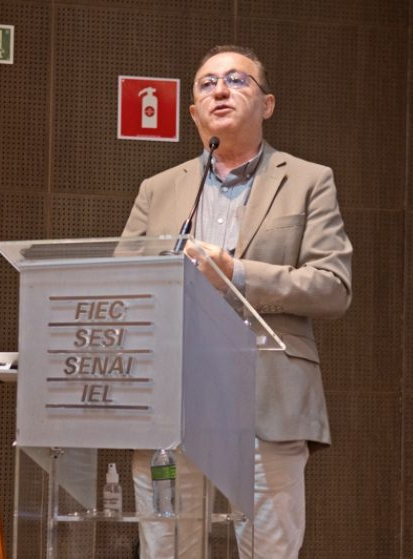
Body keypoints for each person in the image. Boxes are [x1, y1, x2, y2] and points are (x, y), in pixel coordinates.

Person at [122, 45, 352, 559]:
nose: (220, 91)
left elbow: (333, 285)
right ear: (193, 113)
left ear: (267, 104)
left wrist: (237, 274)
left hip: (267, 399)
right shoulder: (158, 190)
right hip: (175, 403)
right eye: (207, 84)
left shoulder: (308, 181)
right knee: (167, 551)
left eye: (237, 80)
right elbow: (124, 287)